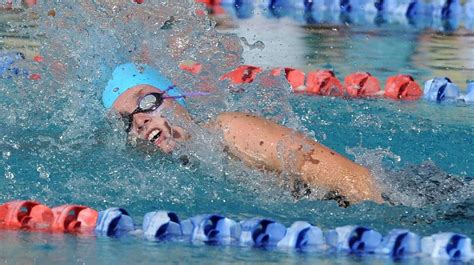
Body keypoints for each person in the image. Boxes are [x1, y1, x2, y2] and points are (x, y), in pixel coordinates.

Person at [103, 63, 383, 205]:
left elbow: (357, 180)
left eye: (147, 102)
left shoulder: (231, 130)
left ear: (173, 95)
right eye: (126, 121)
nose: (139, 120)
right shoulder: (185, 168)